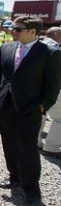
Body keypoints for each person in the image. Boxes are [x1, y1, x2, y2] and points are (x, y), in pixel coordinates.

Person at [0, 17, 61, 206]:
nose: (14, 32)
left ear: (34, 32)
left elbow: (53, 84)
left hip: (31, 108)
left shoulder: (50, 53)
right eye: (13, 28)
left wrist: (44, 105)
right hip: (6, 104)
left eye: (19, 29)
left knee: (28, 149)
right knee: (8, 143)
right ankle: (14, 176)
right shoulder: (7, 48)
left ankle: (32, 191)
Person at [39, 27, 61, 156]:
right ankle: (52, 147)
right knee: (59, 119)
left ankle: (36, 142)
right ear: (56, 34)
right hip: (53, 88)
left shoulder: (37, 44)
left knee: (41, 114)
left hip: (36, 88)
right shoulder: (55, 48)